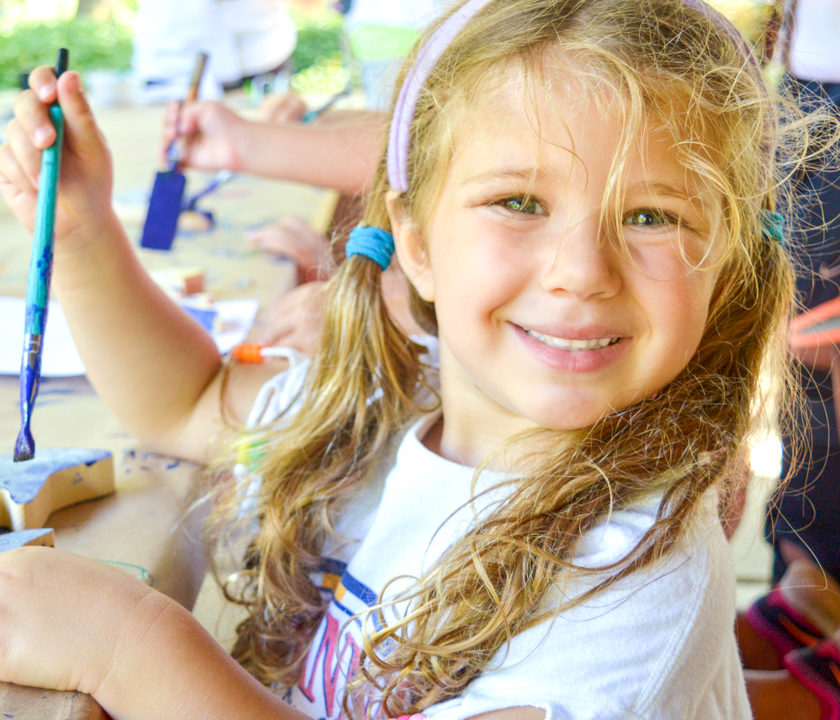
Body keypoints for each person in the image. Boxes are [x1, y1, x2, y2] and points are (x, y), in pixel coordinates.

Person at [0, 0, 823, 717]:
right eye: (519, 202)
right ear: (418, 243)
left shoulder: (636, 578)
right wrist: (80, 234)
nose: (581, 272)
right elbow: (187, 401)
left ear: (727, 261)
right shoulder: (399, 401)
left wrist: (127, 642)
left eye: (652, 216)